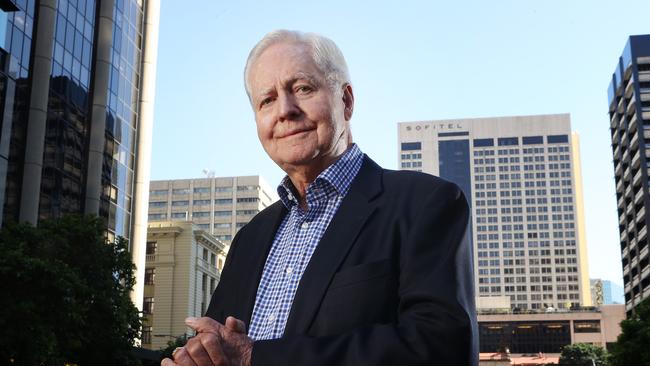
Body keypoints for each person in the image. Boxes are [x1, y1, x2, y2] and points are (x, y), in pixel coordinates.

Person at [162, 29, 477, 366]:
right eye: (266, 100)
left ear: (346, 100)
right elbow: (219, 350)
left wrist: (257, 357)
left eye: (302, 88)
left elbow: (441, 347)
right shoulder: (248, 238)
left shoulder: (426, 203)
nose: (285, 110)